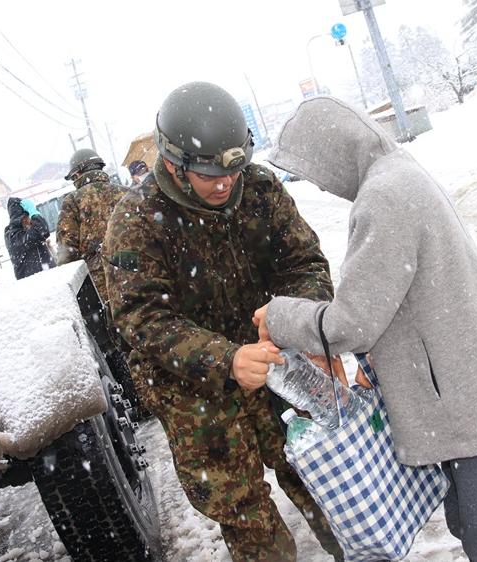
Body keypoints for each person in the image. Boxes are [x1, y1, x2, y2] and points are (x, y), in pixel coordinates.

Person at [253, 96, 477, 562]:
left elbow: (351, 323)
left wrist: (278, 315)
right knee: (474, 519)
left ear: (333, 153)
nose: (320, 185)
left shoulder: (383, 196)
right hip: (469, 379)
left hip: (463, 395)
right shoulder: (399, 173)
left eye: (315, 172)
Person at [103, 82, 344, 562]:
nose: (225, 184)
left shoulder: (258, 188)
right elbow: (141, 317)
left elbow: (306, 263)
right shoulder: (136, 219)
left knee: (325, 484)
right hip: (198, 395)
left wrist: (293, 320)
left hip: (281, 366)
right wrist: (225, 359)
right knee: (245, 516)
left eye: (232, 170)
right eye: (210, 174)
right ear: (173, 164)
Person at [56, 148, 126, 301]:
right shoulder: (126, 193)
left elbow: (66, 254)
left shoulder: (73, 201)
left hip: (102, 284)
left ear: (77, 174)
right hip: (138, 272)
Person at [4, 197, 54, 280]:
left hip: (47, 279)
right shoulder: (12, 236)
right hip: (33, 285)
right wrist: (34, 212)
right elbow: (42, 231)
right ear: (21, 218)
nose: (30, 219)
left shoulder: (28, 231)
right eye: (28, 216)